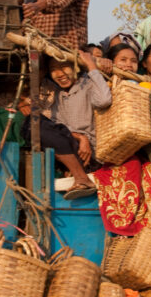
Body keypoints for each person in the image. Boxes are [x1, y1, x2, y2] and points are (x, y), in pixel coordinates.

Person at [21, 53, 111, 198]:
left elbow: (104, 100)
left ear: (74, 67)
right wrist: (80, 137)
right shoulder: (56, 94)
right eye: (54, 69)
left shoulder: (86, 85)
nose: (60, 73)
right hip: (71, 145)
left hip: (89, 155)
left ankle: (82, 178)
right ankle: (78, 175)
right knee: (33, 124)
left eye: (64, 67)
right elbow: (57, 129)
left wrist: (92, 67)